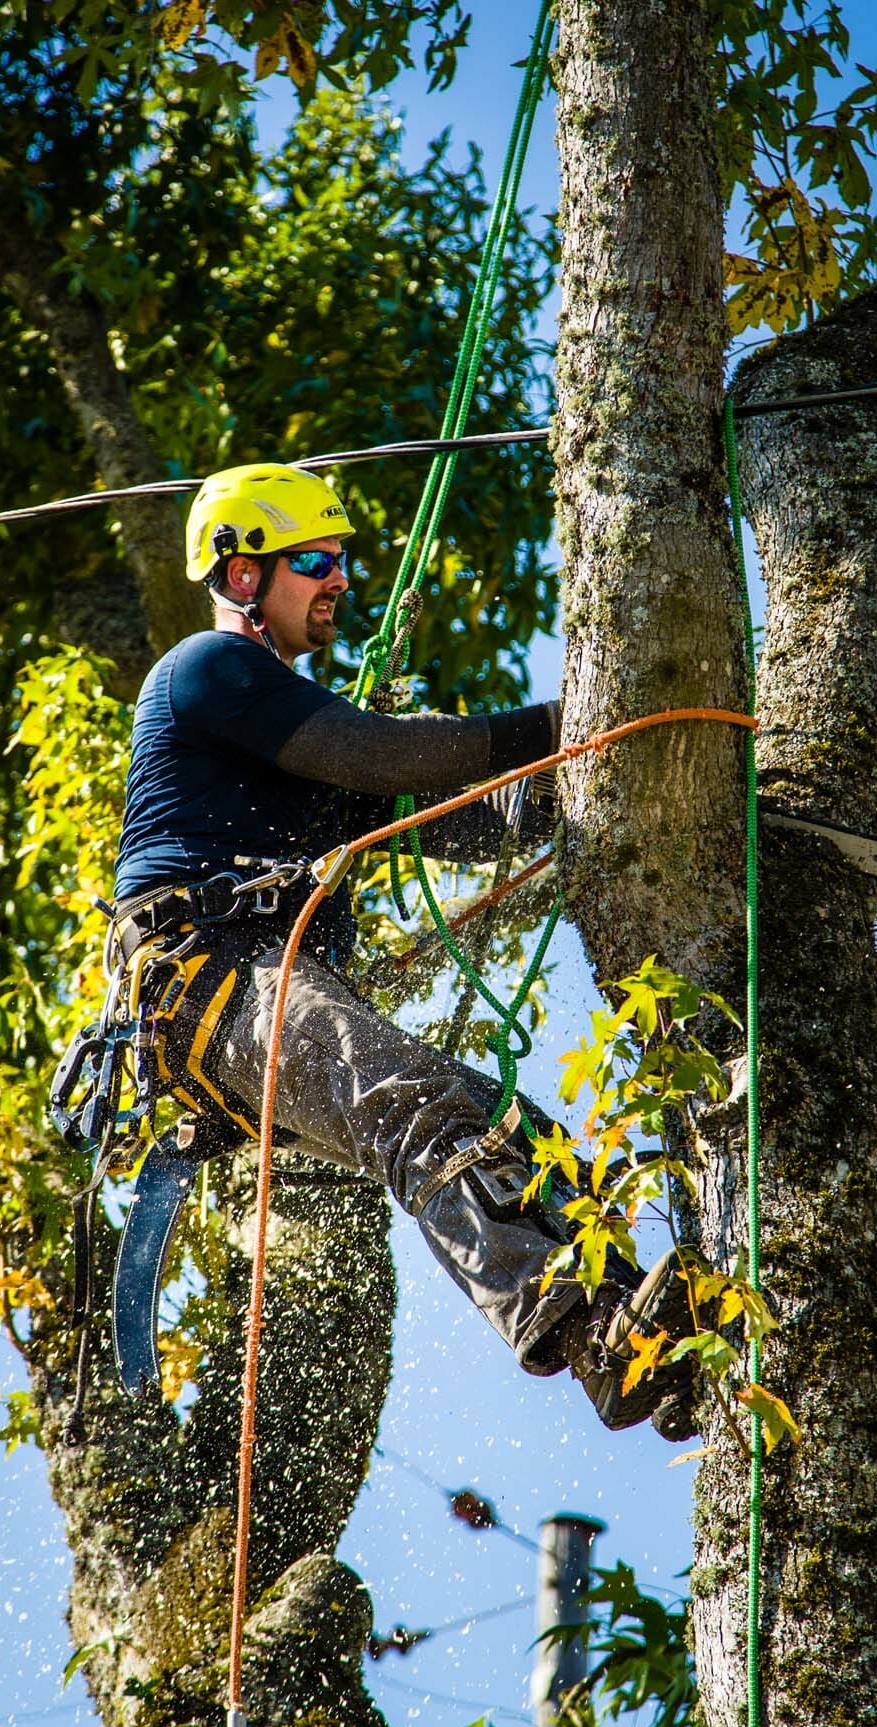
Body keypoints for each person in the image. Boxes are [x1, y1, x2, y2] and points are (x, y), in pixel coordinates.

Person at [111, 461, 693, 1439]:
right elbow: (386, 755)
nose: (338, 578)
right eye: (313, 561)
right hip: (203, 978)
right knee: (412, 1107)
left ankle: (636, 1338)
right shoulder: (208, 671)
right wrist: (570, 724)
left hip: (251, 987)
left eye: (339, 560)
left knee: (509, 1127)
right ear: (243, 574)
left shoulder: (288, 739)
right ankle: (580, 1331)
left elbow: (460, 816)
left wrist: (603, 785)